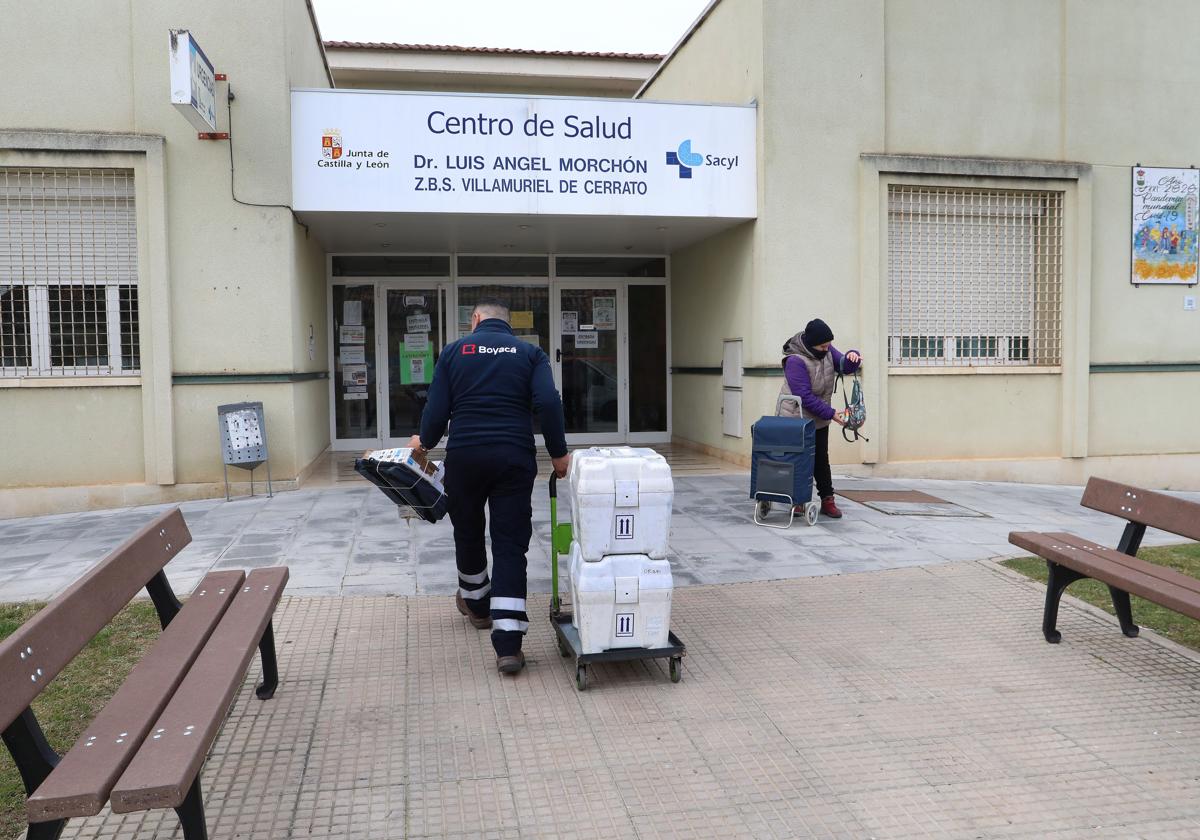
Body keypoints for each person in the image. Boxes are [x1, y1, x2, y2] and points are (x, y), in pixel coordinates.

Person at [410, 298, 570, 676]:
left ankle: (478, 605)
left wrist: (425, 442)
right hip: (514, 458)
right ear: (507, 325)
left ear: (476, 320)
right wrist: (559, 454)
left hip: (465, 457)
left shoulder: (454, 352)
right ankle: (508, 646)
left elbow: (437, 407)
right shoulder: (530, 353)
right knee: (510, 544)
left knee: (467, 533)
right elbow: (548, 402)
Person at [776, 318, 862, 519]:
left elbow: (845, 366)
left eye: (829, 345)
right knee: (798, 459)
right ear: (812, 343)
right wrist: (832, 413)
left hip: (819, 416)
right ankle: (796, 500)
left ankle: (827, 500)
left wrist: (853, 356)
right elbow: (803, 397)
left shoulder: (826, 350)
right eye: (823, 345)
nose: (827, 349)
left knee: (821, 459)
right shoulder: (795, 360)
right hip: (795, 417)